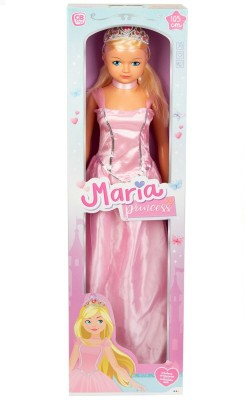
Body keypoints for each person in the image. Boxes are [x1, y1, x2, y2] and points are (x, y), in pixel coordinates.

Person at [86, 26, 168, 364]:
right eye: (117, 61)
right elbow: (85, 145)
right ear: (104, 58)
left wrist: (171, 185)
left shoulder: (150, 97)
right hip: (104, 184)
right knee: (105, 259)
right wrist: (76, 186)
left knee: (144, 262)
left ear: (147, 60)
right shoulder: (97, 96)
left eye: (135, 62)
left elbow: (163, 143)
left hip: (143, 184)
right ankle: (101, 345)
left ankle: (145, 346)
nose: (125, 68)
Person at [69, 293, 145, 393]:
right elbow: (70, 365)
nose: (94, 325)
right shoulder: (80, 341)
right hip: (77, 377)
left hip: (96, 379)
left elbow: (116, 367)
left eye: (100, 321)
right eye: (88, 321)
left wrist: (133, 383)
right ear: (82, 323)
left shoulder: (104, 343)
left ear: (106, 322)